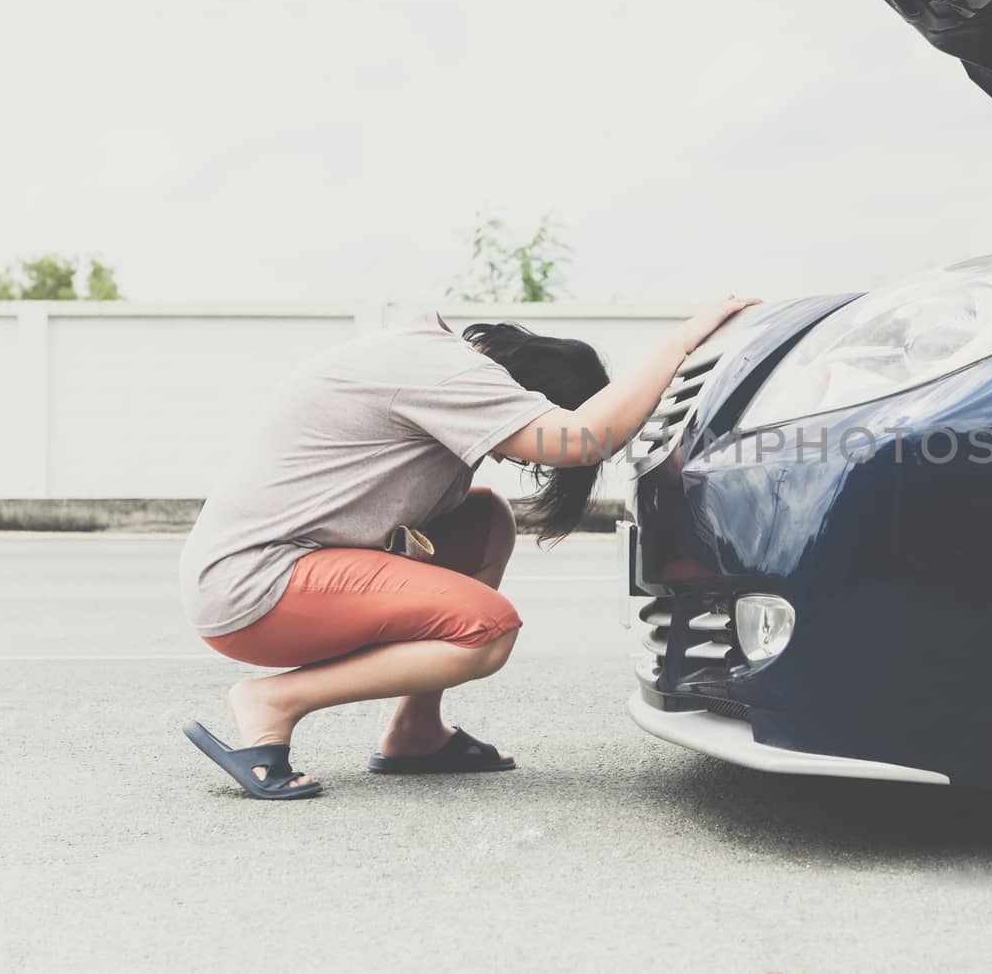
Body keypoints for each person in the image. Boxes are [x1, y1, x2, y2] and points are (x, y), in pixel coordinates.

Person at [180, 295, 758, 799]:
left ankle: (416, 732)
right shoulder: (446, 371)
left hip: (275, 568)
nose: (514, 457)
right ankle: (273, 704)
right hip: (257, 585)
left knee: (483, 519)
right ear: (524, 391)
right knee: (486, 631)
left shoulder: (429, 360)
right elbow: (580, 439)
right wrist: (682, 342)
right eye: (525, 431)